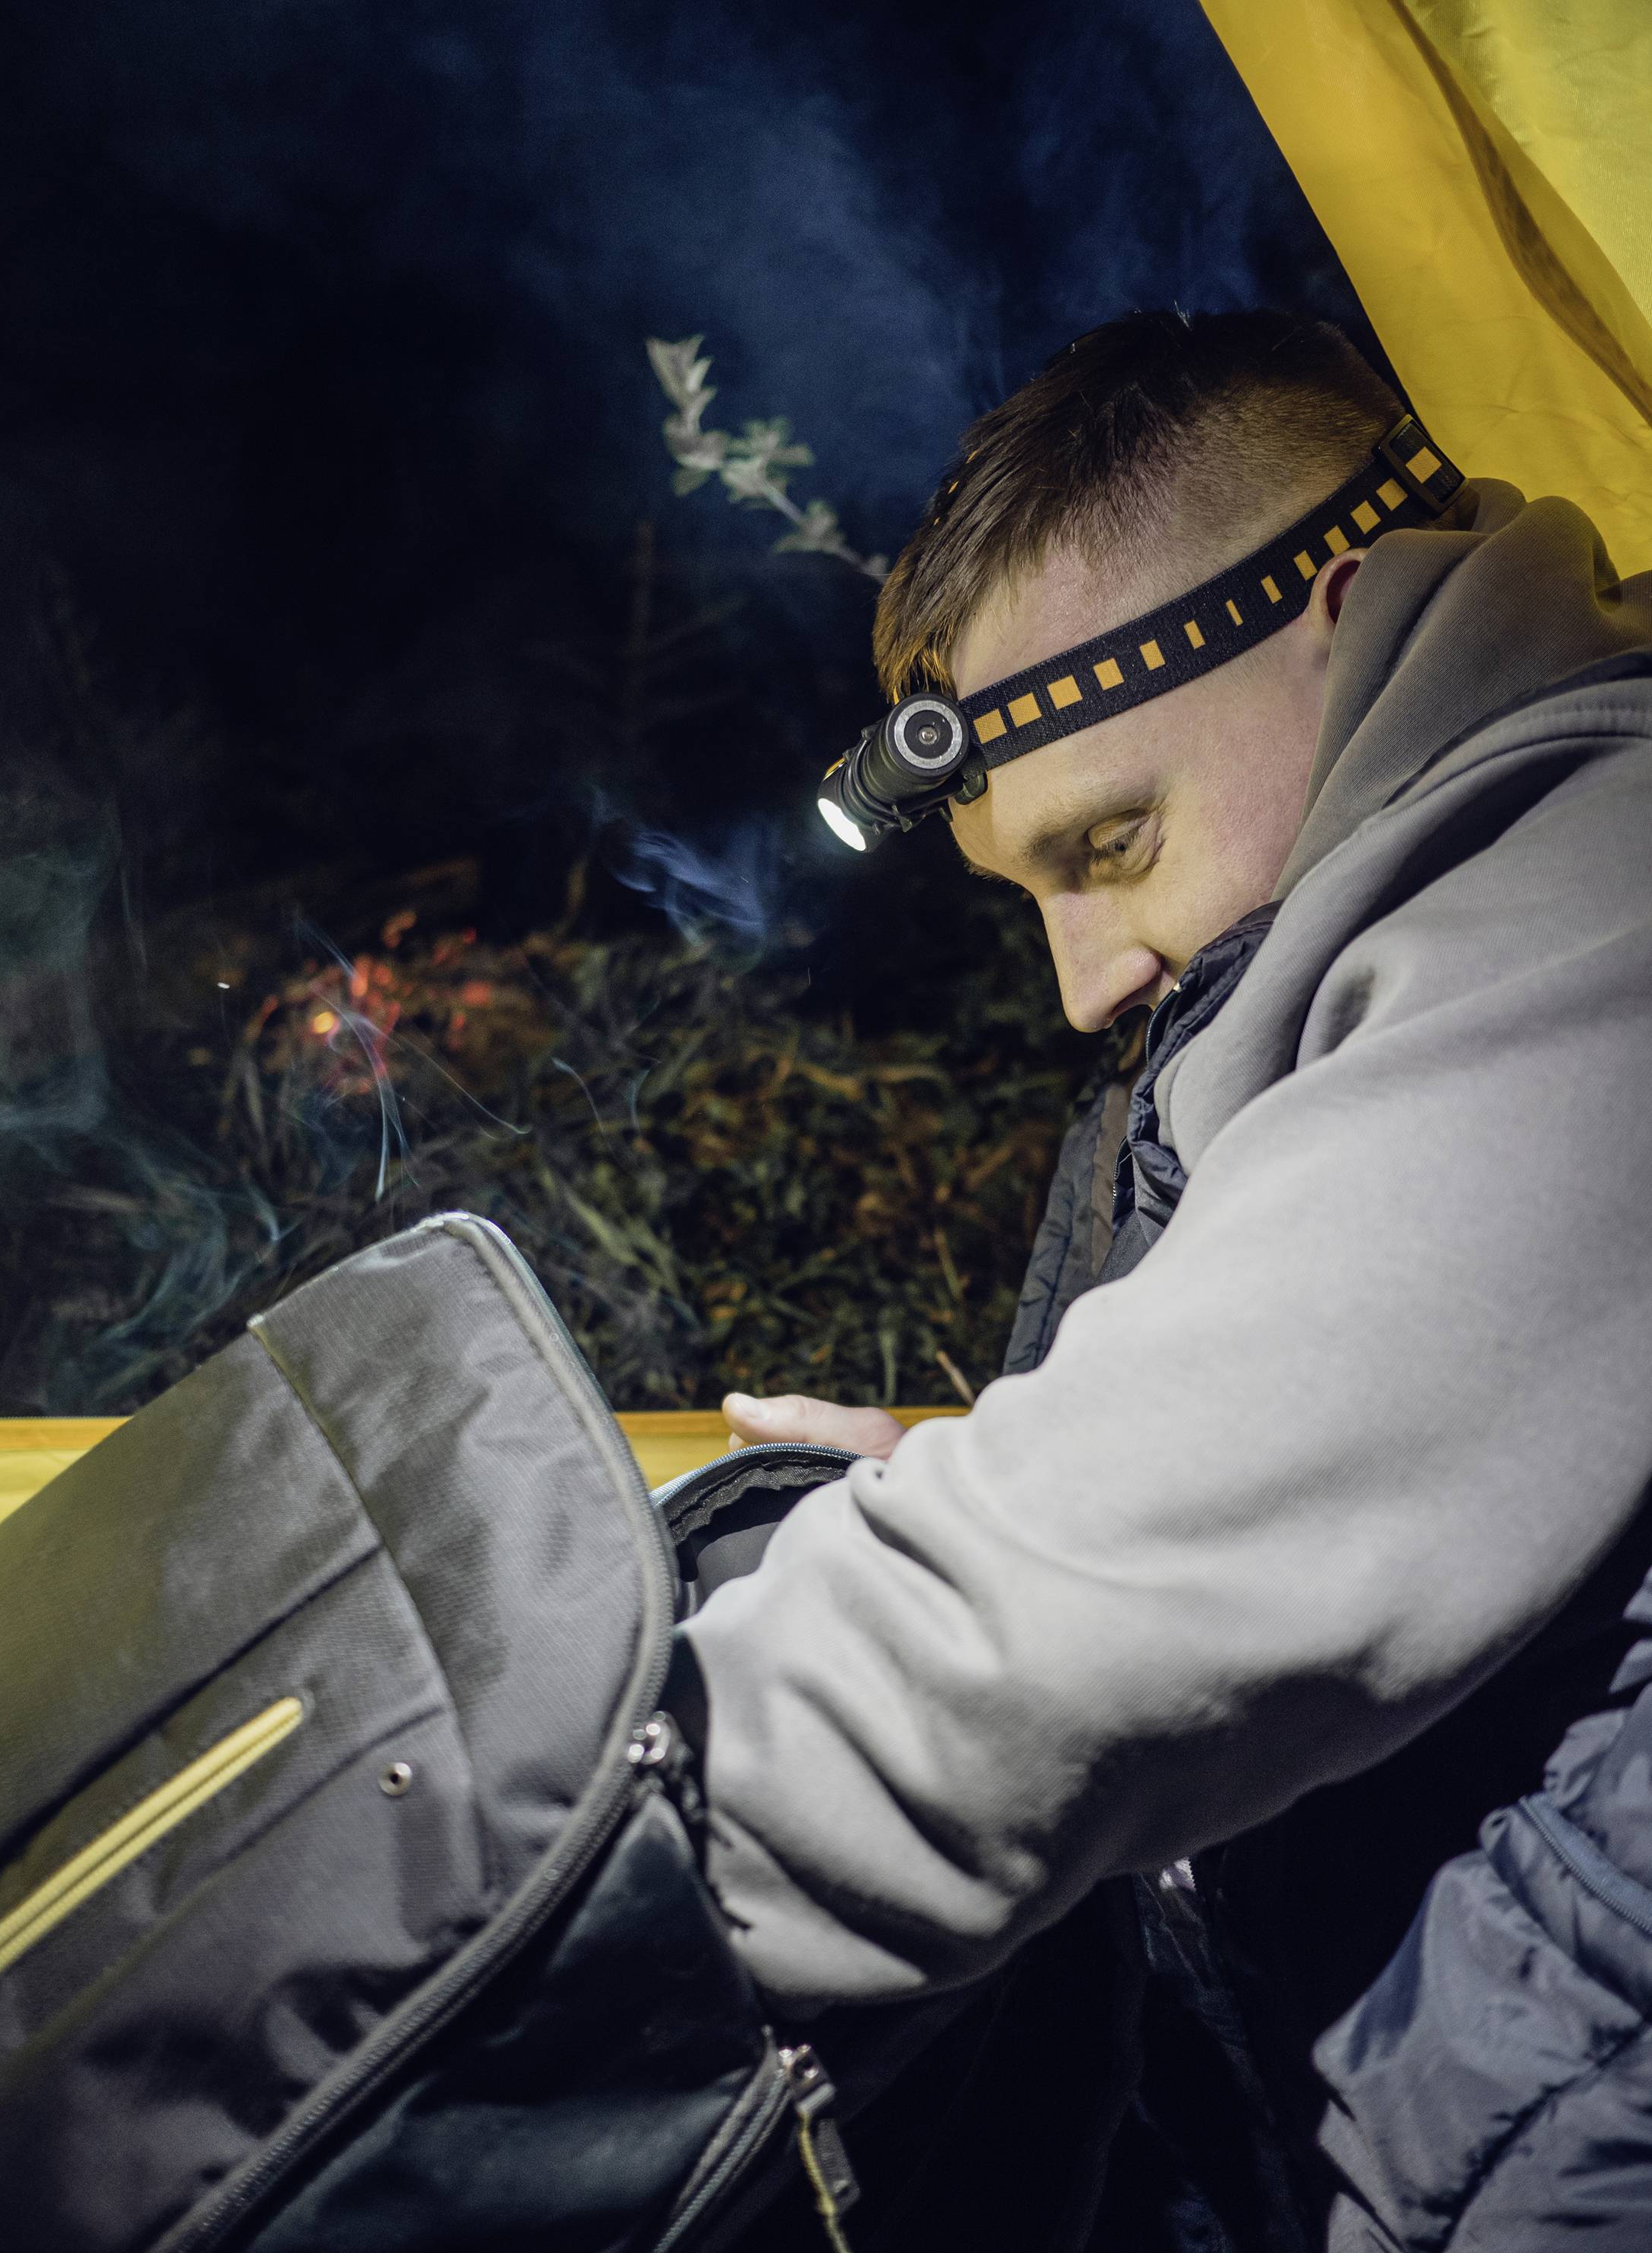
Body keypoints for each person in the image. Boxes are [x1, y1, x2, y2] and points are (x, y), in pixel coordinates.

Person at [690, 310, 1652, 2246]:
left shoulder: (1606, 888)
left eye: (1107, 843)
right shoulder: (1369, 959)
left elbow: (1044, 1648)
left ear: (1341, 607)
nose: (1082, 983)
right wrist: (996, 1472)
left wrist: (488, 1901)